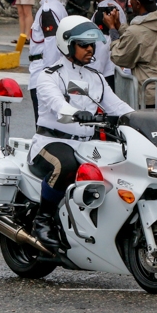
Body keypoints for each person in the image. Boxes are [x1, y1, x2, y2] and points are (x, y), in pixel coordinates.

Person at [29, 16, 134, 248]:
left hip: (86, 145)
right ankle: (42, 219)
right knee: (65, 165)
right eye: (83, 44)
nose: (90, 49)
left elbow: (118, 107)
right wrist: (76, 113)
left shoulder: (96, 78)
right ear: (67, 44)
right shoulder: (49, 75)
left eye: (92, 44)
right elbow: (57, 105)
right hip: (51, 142)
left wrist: (139, 119)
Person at [27, 0, 68, 123]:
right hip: (49, 71)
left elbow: (52, 44)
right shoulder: (56, 6)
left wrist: (48, 76)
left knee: (43, 123)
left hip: (42, 71)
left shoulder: (47, 9)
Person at [88, 0, 127, 90]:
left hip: (106, 71)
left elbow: (102, 44)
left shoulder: (105, 11)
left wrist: (94, 72)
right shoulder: (113, 6)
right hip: (111, 69)